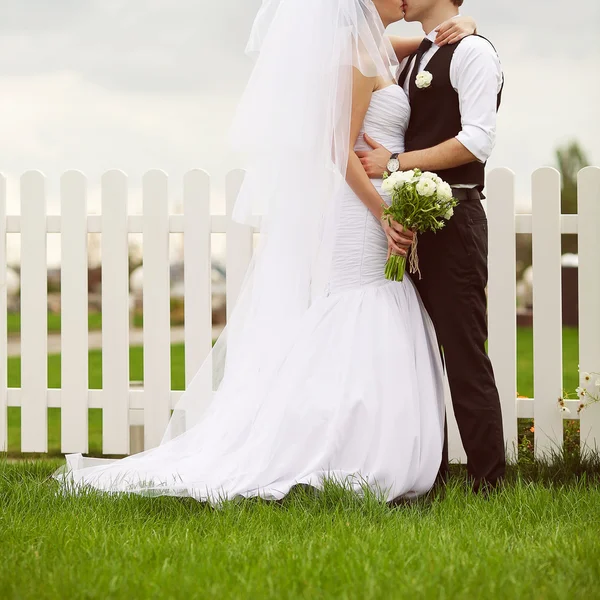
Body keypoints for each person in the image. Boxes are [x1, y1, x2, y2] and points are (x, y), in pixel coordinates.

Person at [52, 0, 478, 505]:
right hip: (360, 209)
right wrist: (380, 213)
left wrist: (467, 24)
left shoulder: (375, 47)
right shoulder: (355, 53)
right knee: (359, 309)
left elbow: (429, 44)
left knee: (380, 305)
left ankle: (365, 448)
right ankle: (342, 452)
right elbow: (337, 148)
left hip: (377, 205)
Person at [357, 0, 506, 492]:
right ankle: (428, 474)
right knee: (415, 353)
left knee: (464, 352)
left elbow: (476, 141)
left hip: (455, 219)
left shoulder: (473, 53)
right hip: (410, 222)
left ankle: (489, 480)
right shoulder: (416, 54)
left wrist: (396, 163)